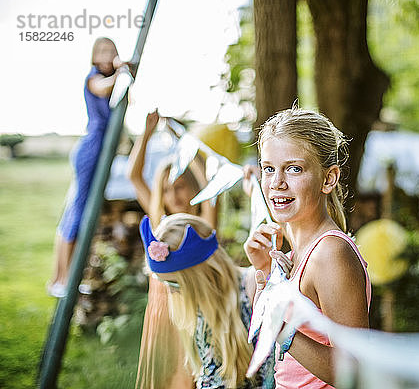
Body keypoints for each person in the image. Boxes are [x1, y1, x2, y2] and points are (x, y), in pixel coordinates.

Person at [243, 106, 372, 388]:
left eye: (294, 169)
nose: (277, 182)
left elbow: (354, 373)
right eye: (268, 168)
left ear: (329, 178)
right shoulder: (294, 254)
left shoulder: (330, 254)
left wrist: (283, 331)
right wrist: (264, 271)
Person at [128, 109, 219, 389]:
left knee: (187, 371)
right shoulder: (159, 222)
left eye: (180, 187)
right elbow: (134, 176)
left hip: (191, 307)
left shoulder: (202, 224)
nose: (173, 195)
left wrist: (187, 146)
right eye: (166, 189)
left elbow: (209, 187)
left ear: (194, 189)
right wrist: (146, 133)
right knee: (163, 371)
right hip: (160, 307)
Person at [139, 213, 275, 388]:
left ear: (200, 278)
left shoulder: (253, 289)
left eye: (174, 284)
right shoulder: (198, 310)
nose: (170, 292)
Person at [48, 37, 130, 298]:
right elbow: (104, 87)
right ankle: (63, 279)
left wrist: (121, 72)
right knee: (77, 213)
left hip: (98, 151)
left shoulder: (110, 78)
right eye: (103, 51)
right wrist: (121, 70)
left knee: (76, 212)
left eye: (112, 51)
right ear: (94, 56)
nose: (108, 56)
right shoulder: (93, 78)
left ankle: (63, 277)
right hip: (91, 149)